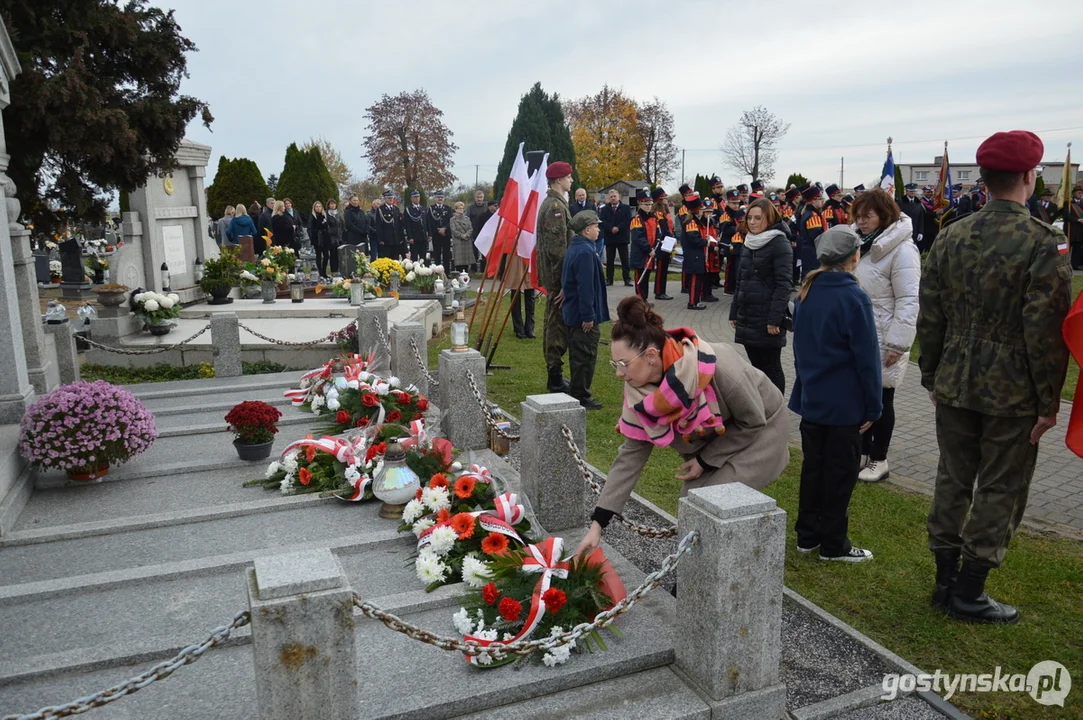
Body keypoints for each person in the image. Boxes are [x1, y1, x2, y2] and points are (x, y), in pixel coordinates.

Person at [918, 130, 1072, 624]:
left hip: (956, 379)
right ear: (1030, 176)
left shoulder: (951, 234)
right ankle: (967, 590)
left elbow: (931, 315)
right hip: (1012, 388)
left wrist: (931, 375)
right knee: (1000, 487)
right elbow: (1044, 332)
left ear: (982, 179)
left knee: (953, 477)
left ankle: (945, 582)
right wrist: (1049, 402)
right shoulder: (1042, 242)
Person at [574, 295, 790, 558]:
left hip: (762, 431)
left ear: (651, 356)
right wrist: (597, 525)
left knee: (708, 501)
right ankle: (694, 573)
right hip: (717, 440)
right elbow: (629, 457)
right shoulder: (639, 393)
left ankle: (709, 573)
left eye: (623, 364)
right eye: (615, 364)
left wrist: (705, 460)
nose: (619, 373)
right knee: (691, 501)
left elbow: (753, 421)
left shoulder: (718, 365)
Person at [789, 224, 882, 563]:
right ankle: (832, 544)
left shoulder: (806, 292)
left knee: (814, 468)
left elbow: (800, 351)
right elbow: (867, 358)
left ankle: (807, 534)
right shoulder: (853, 297)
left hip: (813, 398)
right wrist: (874, 406)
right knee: (839, 474)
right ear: (854, 258)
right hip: (844, 404)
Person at [850, 189, 921, 483]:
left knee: (883, 397)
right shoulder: (862, 245)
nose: (862, 222)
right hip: (861, 333)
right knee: (865, 396)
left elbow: (908, 299)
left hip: (886, 333)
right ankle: (864, 453)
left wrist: (898, 343)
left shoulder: (902, 250)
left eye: (868, 216)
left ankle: (880, 458)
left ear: (884, 215)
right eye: (858, 216)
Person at [728, 198, 794, 393]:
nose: (753, 222)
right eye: (750, 218)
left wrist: (775, 319)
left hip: (768, 319)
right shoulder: (749, 241)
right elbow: (741, 280)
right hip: (748, 315)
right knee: (756, 368)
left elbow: (784, 285)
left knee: (771, 368)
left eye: (758, 218)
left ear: (770, 219)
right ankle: (762, 408)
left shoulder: (779, 243)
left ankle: (776, 411)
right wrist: (734, 311)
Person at [561, 210, 609, 410]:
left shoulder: (578, 247)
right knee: (585, 356)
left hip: (574, 313)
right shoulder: (585, 251)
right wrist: (589, 316)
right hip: (582, 316)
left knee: (578, 354)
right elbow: (585, 287)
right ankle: (581, 395)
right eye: (596, 226)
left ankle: (577, 389)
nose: (599, 230)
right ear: (587, 229)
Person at [537, 161, 575, 394]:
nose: (571, 180)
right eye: (568, 177)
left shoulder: (557, 202)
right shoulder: (554, 206)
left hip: (557, 276)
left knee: (557, 324)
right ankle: (554, 378)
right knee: (556, 326)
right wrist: (564, 283)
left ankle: (556, 376)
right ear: (559, 179)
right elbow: (556, 249)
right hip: (557, 278)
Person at [680, 193, 709, 310]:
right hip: (693, 254)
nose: (703, 211)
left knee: (697, 278)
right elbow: (694, 240)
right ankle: (692, 302)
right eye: (701, 209)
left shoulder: (694, 221)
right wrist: (705, 241)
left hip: (695, 254)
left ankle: (696, 301)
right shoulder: (691, 223)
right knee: (694, 279)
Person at [599, 189, 633, 286]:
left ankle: (627, 279)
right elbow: (602, 221)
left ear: (619, 197)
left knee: (625, 260)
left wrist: (618, 228)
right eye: (611, 197)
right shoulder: (604, 209)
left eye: (615, 196)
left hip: (622, 237)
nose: (613, 198)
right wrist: (611, 228)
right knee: (610, 260)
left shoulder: (626, 208)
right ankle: (609, 279)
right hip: (610, 237)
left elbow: (628, 220)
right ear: (608, 199)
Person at [629, 189, 657, 301]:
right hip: (641, 254)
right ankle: (640, 301)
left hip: (650, 253)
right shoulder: (636, 220)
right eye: (646, 204)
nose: (648, 207)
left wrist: (655, 246)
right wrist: (649, 249)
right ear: (640, 204)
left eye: (650, 204)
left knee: (646, 278)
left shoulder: (653, 218)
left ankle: (644, 300)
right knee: (640, 279)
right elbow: (638, 238)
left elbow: (657, 234)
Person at [649, 187, 674, 300]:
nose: (666, 200)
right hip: (662, 243)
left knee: (664, 268)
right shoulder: (657, 213)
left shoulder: (665, 211)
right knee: (661, 268)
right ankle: (659, 292)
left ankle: (661, 291)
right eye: (664, 198)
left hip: (668, 241)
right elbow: (662, 229)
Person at [796, 183, 826, 279]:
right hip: (813, 251)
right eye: (820, 199)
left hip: (807, 250)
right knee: (813, 277)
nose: (822, 201)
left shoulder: (807, 212)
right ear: (813, 201)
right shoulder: (813, 215)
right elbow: (817, 236)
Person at [374, 190, 406, 259]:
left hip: (396, 239)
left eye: (392, 198)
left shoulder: (396, 209)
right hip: (386, 239)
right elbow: (379, 226)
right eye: (389, 198)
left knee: (395, 259)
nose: (391, 199)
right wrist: (381, 239)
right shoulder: (380, 210)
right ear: (385, 199)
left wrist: (401, 237)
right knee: (386, 259)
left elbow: (399, 224)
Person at [427, 190, 453, 268]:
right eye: (438, 197)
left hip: (446, 235)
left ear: (444, 198)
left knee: (446, 255)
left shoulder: (448, 208)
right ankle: (438, 272)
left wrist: (445, 229)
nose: (440, 199)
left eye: (441, 197)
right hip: (436, 235)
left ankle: (447, 272)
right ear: (435, 198)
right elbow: (429, 222)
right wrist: (438, 230)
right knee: (436, 255)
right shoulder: (431, 209)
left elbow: (450, 220)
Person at [309, 201, 332, 277]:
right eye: (317, 207)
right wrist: (313, 236)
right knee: (318, 255)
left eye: (319, 206)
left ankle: (324, 271)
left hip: (325, 237)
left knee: (326, 255)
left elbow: (327, 226)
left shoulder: (324, 216)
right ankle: (320, 272)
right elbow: (310, 229)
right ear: (314, 208)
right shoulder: (312, 217)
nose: (318, 208)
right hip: (317, 238)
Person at [403, 190, 428, 258]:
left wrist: (429, 235)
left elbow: (427, 222)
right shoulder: (408, 209)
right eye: (415, 197)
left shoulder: (423, 208)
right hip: (414, 237)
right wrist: (410, 237)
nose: (417, 198)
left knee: (423, 257)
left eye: (418, 197)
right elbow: (407, 225)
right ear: (411, 198)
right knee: (414, 257)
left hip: (423, 237)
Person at [450, 201, 474, 272]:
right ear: (456, 209)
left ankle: (466, 275)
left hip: (467, 241)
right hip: (458, 242)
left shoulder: (467, 218)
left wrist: (467, 235)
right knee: (459, 261)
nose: (461, 210)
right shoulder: (452, 219)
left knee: (466, 260)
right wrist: (462, 236)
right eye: (459, 208)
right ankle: (459, 275)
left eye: (462, 208)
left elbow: (470, 228)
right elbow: (453, 230)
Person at [1066, 184, 1083, 270]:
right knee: (1068, 247)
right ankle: (1065, 264)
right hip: (1071, 228)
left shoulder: (1082, 202)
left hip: (1080, 230)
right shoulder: (1068, 202)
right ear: (1074, 193)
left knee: (1078, 248)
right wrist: (1077, 220)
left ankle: (1076, 264)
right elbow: (1066, 215)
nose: (1080, 194)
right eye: (1079, 192)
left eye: (1081, 193)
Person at [326, 199, 343, 274]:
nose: (333, 205)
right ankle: (334, 271)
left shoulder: (339, 214)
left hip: (339, 237)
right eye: (331, 204)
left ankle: (340, 271)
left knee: (340, 255)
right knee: (333, 255)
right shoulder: (327, 214)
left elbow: (342, 224)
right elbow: (327, 226)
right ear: (328, 205)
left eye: (334, 204)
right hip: (331, 237)